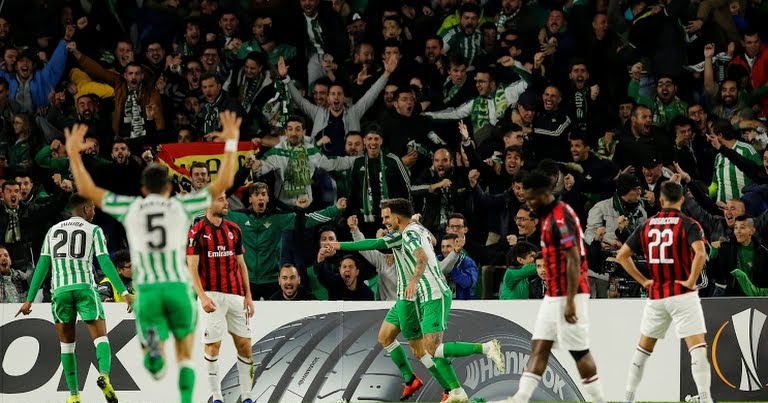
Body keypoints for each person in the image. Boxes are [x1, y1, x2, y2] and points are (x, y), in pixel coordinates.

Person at [61, 111, 242, 403]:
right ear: (169, 188)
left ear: (144, 189)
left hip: (147, 290)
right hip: (177, 286)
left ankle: (152, 348)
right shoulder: (182, 205)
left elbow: (88, 190)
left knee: (154, 360)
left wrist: (73, 154)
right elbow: (221, 183)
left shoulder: (131, 207)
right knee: (185, 353)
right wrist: (231, 142)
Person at [325, 198, 504, 403]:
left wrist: (414, 280)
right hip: (415, 294)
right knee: (388, 338)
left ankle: (458, 381)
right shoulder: (411, 230)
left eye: (387, 217)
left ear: (396, 217)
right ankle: (425, 383)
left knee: (427, 350)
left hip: (419, 295)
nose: (384, 221)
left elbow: (416, 255)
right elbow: (429, 242)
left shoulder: (406, 234)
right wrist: (339, 245)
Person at [493, 171, 606, 403]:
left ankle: (598, 400)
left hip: (570, 293)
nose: (529, 205)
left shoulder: (560, 219)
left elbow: (573, 258)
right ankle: (520, 398)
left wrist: (571, 300)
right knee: (540, 345)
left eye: (531, 199)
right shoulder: (548, 217)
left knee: (579, 351)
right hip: (554, 294)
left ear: (543, 194)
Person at [16, 194, 133, 403]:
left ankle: (74, 395)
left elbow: (42, 265)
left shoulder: (53, 231)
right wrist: (124, 293)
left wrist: (29, 299)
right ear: (86, 208)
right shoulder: (94, 230)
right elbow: (105, 262)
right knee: (101, 339)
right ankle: (104, 376)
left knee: (67, 346)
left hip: (60, 290)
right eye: (93, 208)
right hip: (85, 288)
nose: (94, 212)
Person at [615, 181, 714, 403]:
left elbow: (622, 256)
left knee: (643, 350)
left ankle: (628, 398)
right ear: (682, 200)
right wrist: (691, 280)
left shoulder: (647, 225)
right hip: (682, 294)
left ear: (660, 200)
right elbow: (700, 254)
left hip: (657, 296)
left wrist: (644, 281)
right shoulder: (689, 224)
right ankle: (705, 398)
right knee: (697, 348)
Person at [187, 191, 255, 403]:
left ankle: (247, 397)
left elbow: (241, 264)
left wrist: (248, 296)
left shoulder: (234, 229)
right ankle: (217, 397)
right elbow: (192, 267)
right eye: (221, 199)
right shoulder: (197, 231)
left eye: (226, 198)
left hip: (236, 295)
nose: (226, 203)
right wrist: (202, 297)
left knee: (245, 345)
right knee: (213, 346)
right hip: (211, 295)